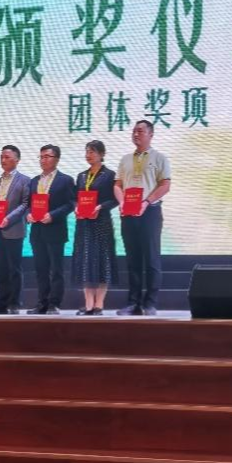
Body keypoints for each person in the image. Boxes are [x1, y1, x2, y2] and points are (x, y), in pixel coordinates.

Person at [115, 120, 171, 316]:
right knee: (133, 260)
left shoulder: (160, 158)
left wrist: (146, 202)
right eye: (134, 131)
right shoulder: (125, 159)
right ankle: (133, 303)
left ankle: (150, 303)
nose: (136, 134)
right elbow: (117, 185)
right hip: (128, 213)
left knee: (151, 258)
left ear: (151, 134)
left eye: (140, 131)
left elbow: (165, 185)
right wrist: (122, 202)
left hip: (150, 212)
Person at [25, 144, 75, 315]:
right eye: (41, 157)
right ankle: (42, 303)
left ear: (57, 159)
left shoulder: (65, 180)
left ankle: (54, 303)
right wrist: (28, 214)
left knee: (56, 270)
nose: (43, 160)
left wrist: (53, 215)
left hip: (55, 230)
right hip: (37, 231)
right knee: (41, 270)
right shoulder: (34, 181)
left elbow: (70, 204)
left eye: (47, 156)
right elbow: (28, 204)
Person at [71, 140, 118, 315]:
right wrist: (76, 207)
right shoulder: (81, 176)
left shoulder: (110, 175)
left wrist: (100, 207)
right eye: (87, 151)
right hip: (84, 223)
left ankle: (99, 304)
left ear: (101, 154)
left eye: (92, 152)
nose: (88, 155)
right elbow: (74, 197)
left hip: (101, 223)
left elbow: (114, 199)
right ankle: (88, 304)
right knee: (85, 261)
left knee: (102, 262)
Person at [0, 145, 30, 315]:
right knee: (1, 268)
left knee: (14, 268)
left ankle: (15, 303)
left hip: (14, 228)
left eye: (7, 157)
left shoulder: (25, 180)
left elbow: (25, 204)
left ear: (17, 160)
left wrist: (8, 218)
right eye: (2, 157)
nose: (3, 160)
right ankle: (2, 303)